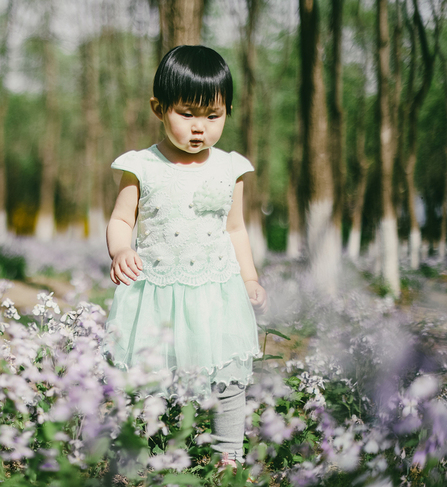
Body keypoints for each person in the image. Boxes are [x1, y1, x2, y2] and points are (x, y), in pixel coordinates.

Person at [105, 45, 268, 469]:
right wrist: (121, 248)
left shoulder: (229, 168)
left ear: (227, 112)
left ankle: (228, 457)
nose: (200, 128)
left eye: (213, 116)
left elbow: (235, 228)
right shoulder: (142, 166)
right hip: (156, 293)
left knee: (228, 380)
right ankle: (139, 461)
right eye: (187, 113)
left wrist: (249, 277)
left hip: (216, 292)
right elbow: (122, 219)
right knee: (150, 381)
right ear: (159, 108)